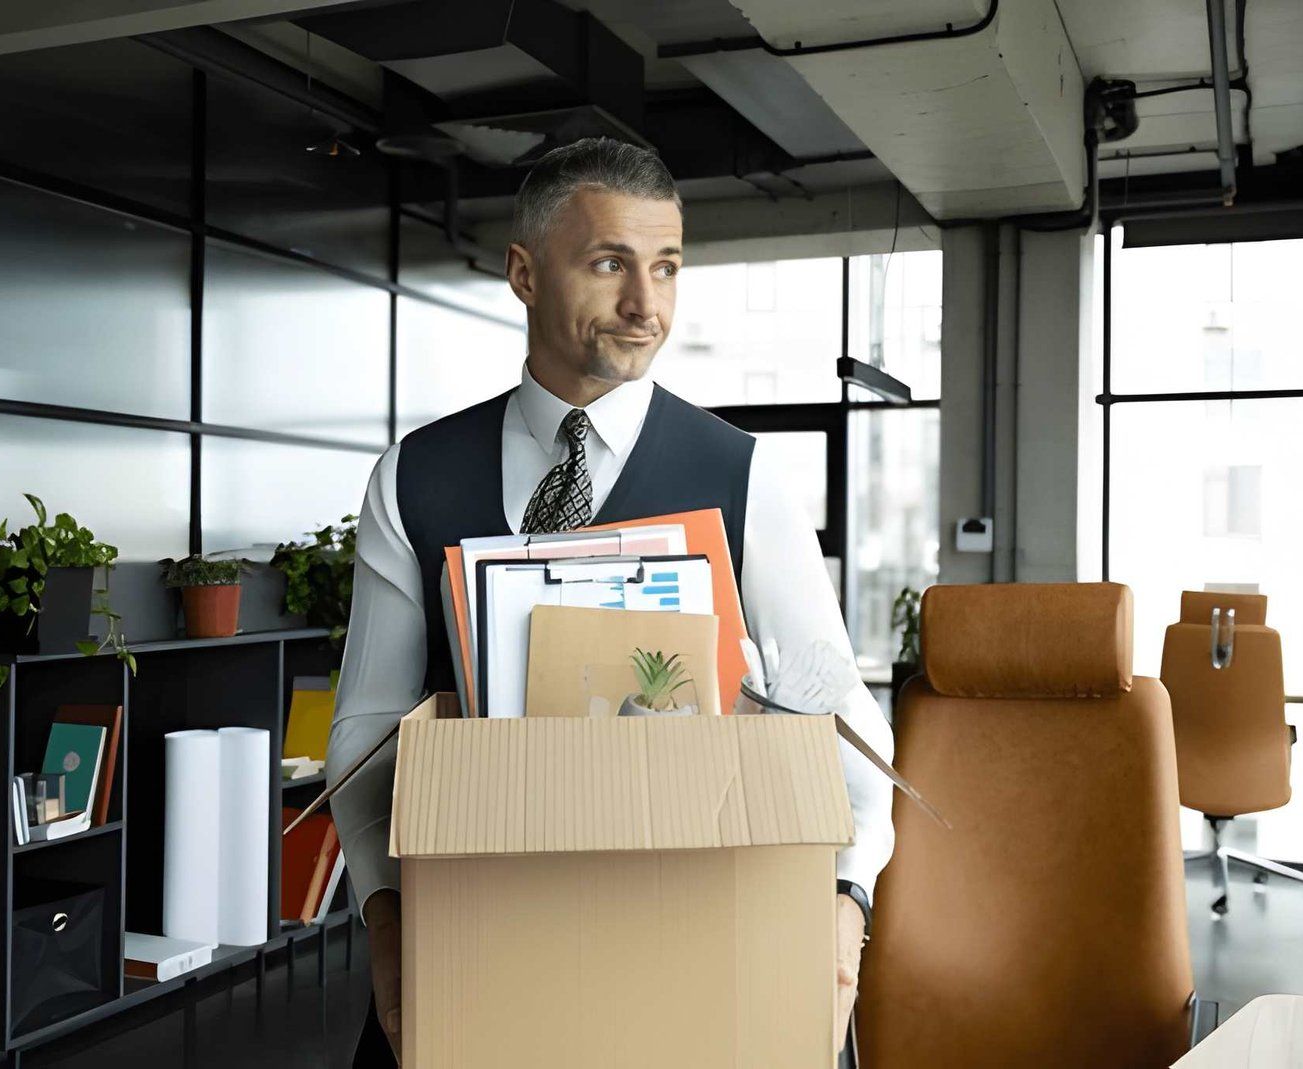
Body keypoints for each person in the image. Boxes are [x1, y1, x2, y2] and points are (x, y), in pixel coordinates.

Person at [327, 137, 894, 1066]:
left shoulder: (743, 477)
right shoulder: (415, 477)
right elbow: (365, 735)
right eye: (609, 264)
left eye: (666, 268)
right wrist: (386, 927)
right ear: (523, 273)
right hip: (474, 959)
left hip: (691, 965)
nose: (647, 305)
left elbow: (850, 738)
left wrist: (843, 922)